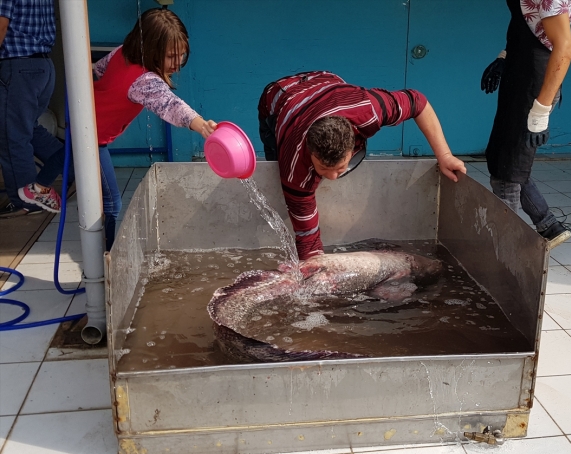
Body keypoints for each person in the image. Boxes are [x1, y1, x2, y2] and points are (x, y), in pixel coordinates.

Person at [18, 8, 218, 250]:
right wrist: (200, 124)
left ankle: (37, 188)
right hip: (94, 136)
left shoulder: (122, 53)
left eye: (182, 56)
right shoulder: (144, 80)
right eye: (170, 57)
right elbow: (170, 105)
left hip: (84, 122)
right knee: (112, 202)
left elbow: (97, 70)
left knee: (67, 153)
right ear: (150, 50)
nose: (177, 64)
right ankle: (106, 260)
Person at [258, 70, 466, 260]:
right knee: (288, 188)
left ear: (353, 143)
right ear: (309, 152)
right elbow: (308, 240)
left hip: (323, 82)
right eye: (322, 169)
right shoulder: (294, 162)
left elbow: (418, 102)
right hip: (278, 97)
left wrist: (445, 155)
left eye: (340, 169)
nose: (332, 178)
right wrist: (313, 262)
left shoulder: (369, 110)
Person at [481, 0, 571, 249]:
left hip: (536, 82)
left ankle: (505, 253)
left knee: (507, 173)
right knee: (503, 158)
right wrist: (504, 57)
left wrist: (541, 111)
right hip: (519, 67)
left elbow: (564, 48)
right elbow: (529, 22)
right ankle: (549, 226)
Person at [0, 0, 66, 218]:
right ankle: (70, 169)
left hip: (17, 66)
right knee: (29, 128)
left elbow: (1, 23)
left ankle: (26, 202)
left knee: (13, 137)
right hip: (42, 66)